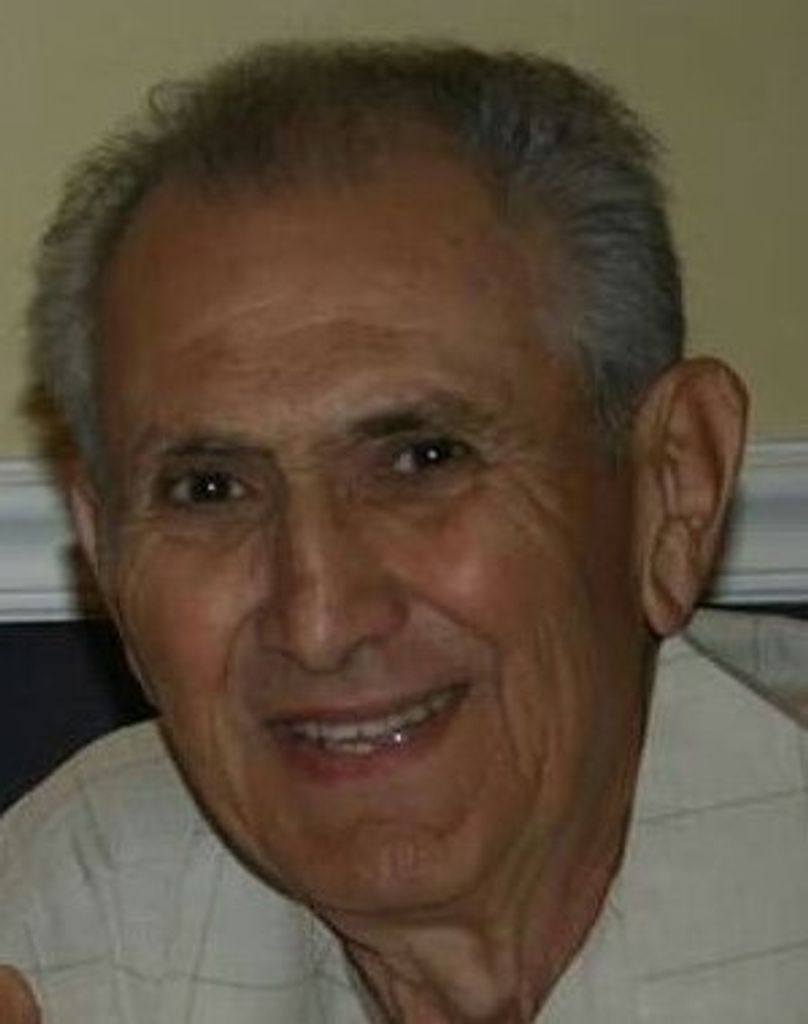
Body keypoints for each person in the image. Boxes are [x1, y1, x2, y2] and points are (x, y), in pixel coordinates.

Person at [3, 40, 798, 1022]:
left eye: (423, 460)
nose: (320, 621)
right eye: (209, 489)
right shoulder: (87, 908)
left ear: (673, 485)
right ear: (107, 551)